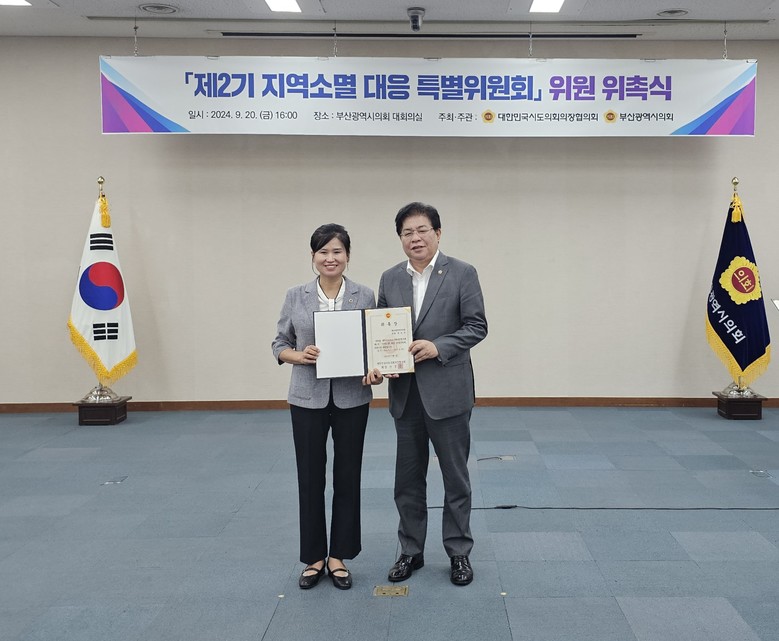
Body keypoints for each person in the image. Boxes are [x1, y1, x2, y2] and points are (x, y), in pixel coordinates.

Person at [378, 202, 487, 586]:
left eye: (422, 230)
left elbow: (476, 326)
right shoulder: (390, 278)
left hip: (448, 392)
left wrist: (439, 346)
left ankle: (458, 552)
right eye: (407, 232)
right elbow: (379, 332)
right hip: (405, 394)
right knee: (407, 480)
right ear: (400, 239)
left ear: (438, 233)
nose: (415, 238)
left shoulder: (462, 273)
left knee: (455, 478)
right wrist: (380, 362)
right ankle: (411, 550)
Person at [272, 223, 383, 591]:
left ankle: (339, 556)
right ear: (313, 256)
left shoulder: (365, 295)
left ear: (348, 255)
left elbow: (374, 346)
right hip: (307, 398)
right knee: (310, 477)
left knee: (348, 476)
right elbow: (279, 344)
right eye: (323, 252)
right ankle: (314, 557)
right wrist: (299, 356)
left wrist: (375, 371)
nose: (330, 258)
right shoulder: (295, 295)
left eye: (337, 251)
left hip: (353, 398)